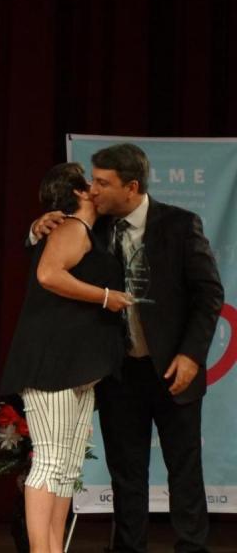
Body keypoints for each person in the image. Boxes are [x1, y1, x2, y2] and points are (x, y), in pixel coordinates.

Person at [31, 143, 224, 552]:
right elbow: (49, 263)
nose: (93, 190)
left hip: (174, 367)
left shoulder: (180, 224)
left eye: (103, 182)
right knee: (127, 473)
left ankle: (192, 547)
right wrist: (36, 230)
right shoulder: (89, 225)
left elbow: (208, 296)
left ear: (131, 186)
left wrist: (191, 355)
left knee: (184, 470)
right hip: (119, 371)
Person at [0, 162, 132, 553]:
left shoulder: (91, 229)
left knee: (68, 466)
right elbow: (48, 275)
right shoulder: (71, 228)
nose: (98, 187)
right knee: (50, 462)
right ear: (77, 193)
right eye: (91, 183)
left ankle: (54, 547)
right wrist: (106, 297)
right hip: (51, 366)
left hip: (77, 368)